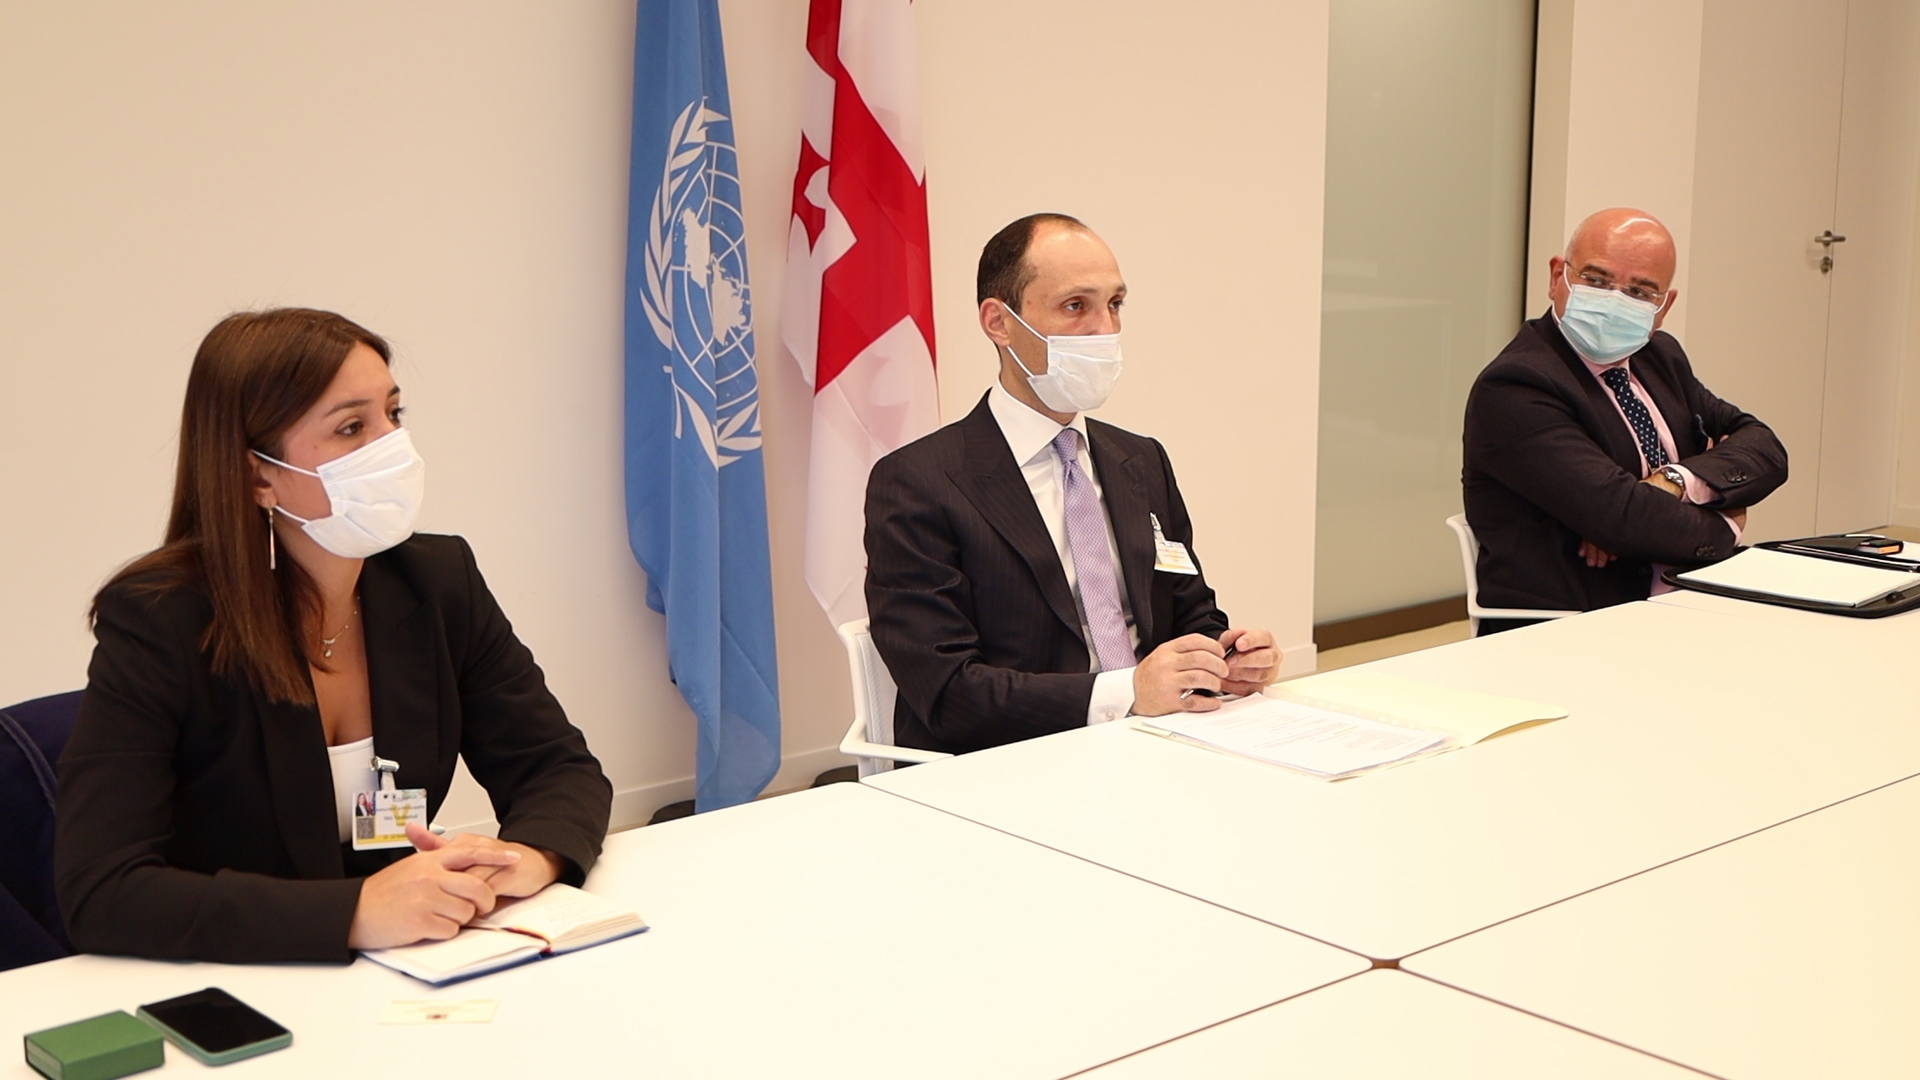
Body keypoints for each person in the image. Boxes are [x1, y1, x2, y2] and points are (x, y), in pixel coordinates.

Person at [56, 308, 612, 963]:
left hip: (411, 965)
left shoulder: (437, 581)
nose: (391, 447)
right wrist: (354, 913)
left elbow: (557, 768)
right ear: (258, 476)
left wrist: (526, 857)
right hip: (241, 981)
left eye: (393, 415)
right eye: (352, 427)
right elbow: (103, 891)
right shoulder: (162, 619)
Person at [863, 213, 1280, 755]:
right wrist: (1126, 694)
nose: (1105, 330)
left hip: (1159, 742)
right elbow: (947, 692)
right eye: (1076, 306)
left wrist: (1224, 658)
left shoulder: (1140, 459)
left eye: (1115, 304)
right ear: (999, 322)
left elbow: (1189, 610)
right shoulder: (918, 482)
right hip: (1013, 760)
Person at [1462, 208, 1788, 631]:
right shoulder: (1517, 385)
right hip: (1573, 625)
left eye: (1639, 291)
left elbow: (1763, 446)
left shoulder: (1659, 357)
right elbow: (1626, 521)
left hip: (1684, 603)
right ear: (1557, 276)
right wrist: (1727, 520)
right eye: (1596, 281)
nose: (1615, 301)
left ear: (1664, 306)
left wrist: (1673, 481)